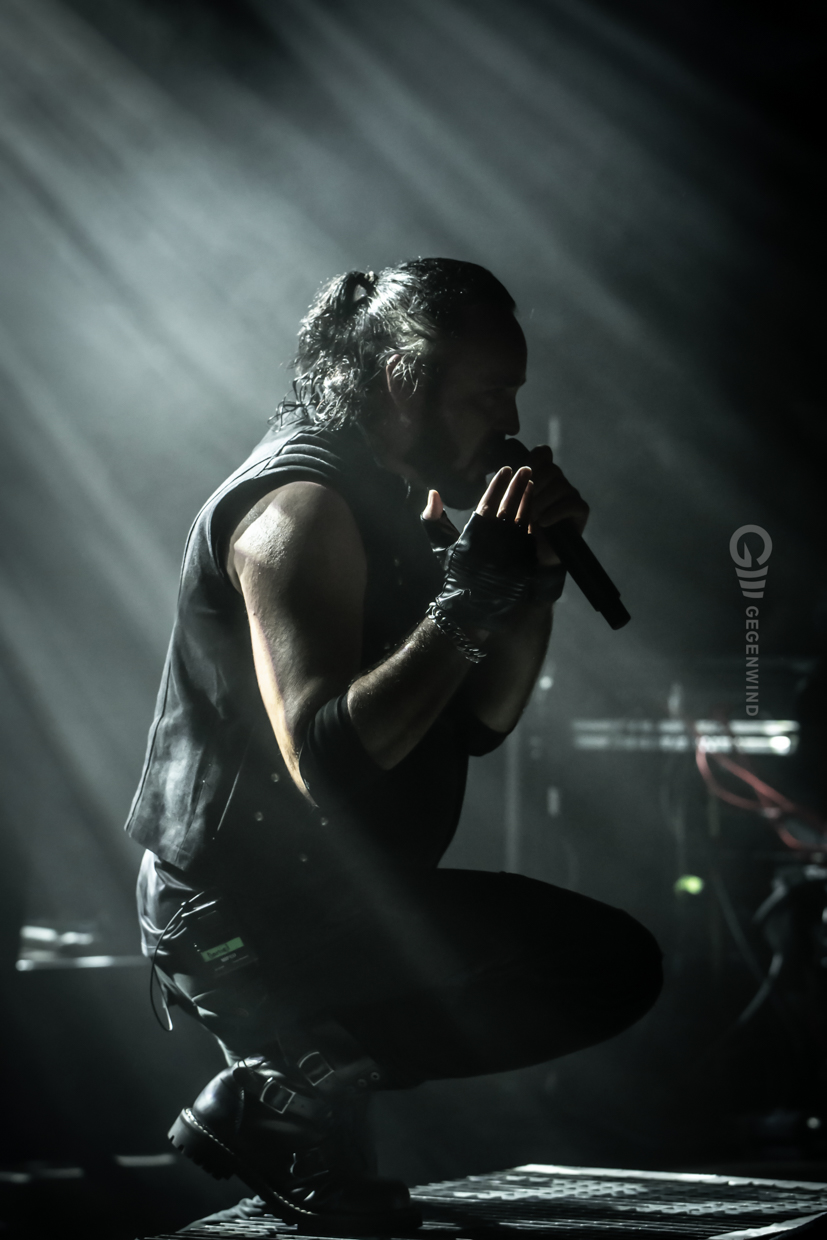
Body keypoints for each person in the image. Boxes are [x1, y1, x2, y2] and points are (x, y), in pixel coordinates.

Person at [126, 258, 662, 1232]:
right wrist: (467, 598)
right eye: (487, 394)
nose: (509, 421)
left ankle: (290, 1082)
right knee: (596, 968)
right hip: (244, 916)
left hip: (341, 894)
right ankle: (283, 1079)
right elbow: (327, 761)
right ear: (404, 381)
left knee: (606, 965)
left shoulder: (388, 504)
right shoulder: (299, 510)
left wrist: (533, 579)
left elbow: (480, 720)